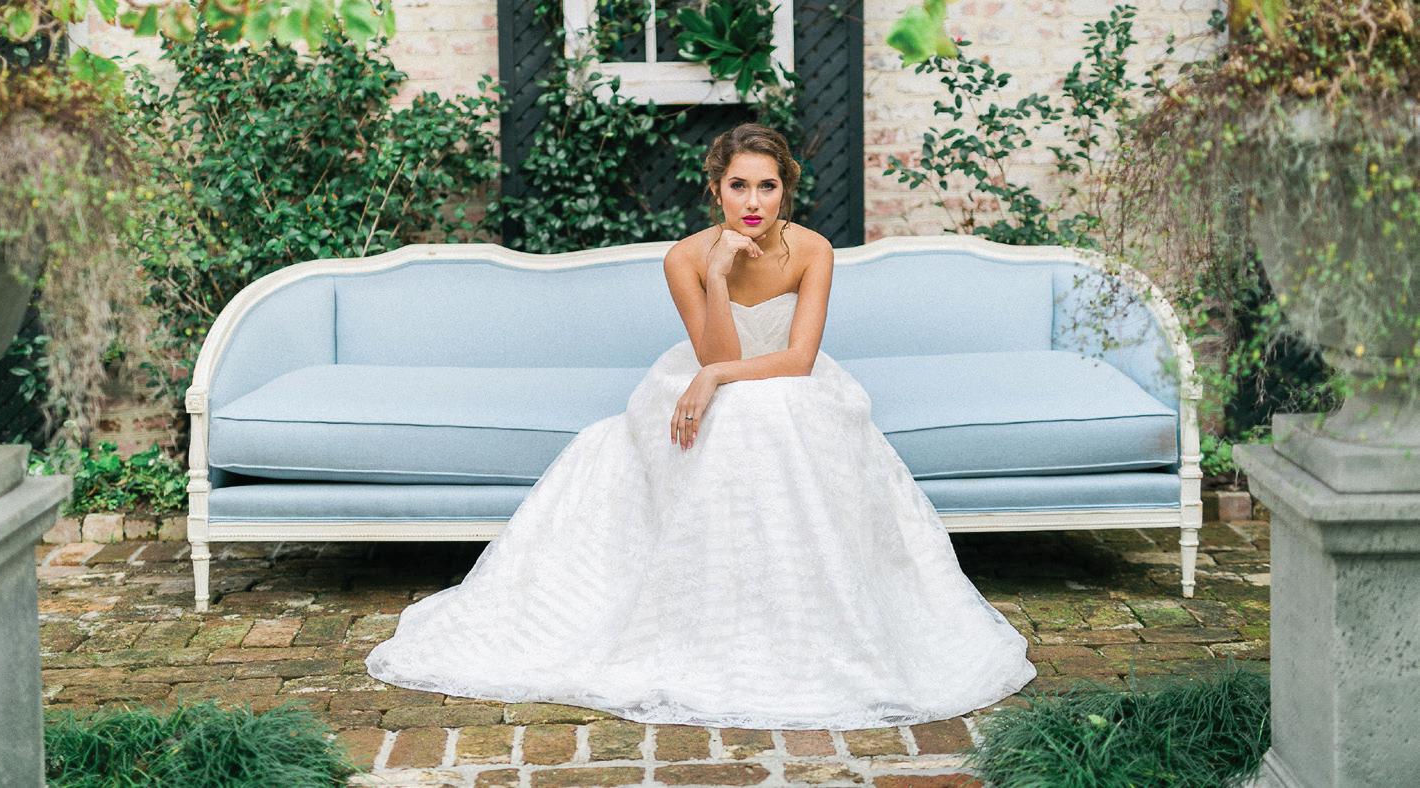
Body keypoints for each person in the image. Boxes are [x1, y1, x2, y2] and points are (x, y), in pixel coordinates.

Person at [365, 122, 1037, 730]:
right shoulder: (685, 259)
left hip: (787, 385)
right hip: (706, 379)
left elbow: (798, 360)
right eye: (738, 185)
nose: (753, 201)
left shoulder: (812, 250)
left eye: (767, 186)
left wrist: (715, 377)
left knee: (766, 409)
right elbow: (716, 351)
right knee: (735, 417)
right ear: (715, 190)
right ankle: (709, 614)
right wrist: (718, 278)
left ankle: (798, 617)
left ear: (785, 190)